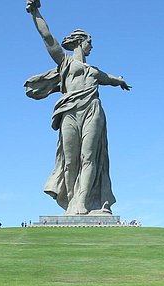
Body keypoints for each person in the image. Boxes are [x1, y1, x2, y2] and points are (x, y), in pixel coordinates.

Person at [25, 0, 130, 215]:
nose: (92, 47)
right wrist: (35, 12)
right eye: (90, 42)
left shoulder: (94, 70)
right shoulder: (65, 62)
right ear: (80, 42)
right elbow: (47, 38)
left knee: (89, 157)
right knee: (70, 160)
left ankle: (82, 202)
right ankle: (72, 201)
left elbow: (110, 79)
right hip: (69, 112)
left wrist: (119, 81)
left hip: (93, 110)